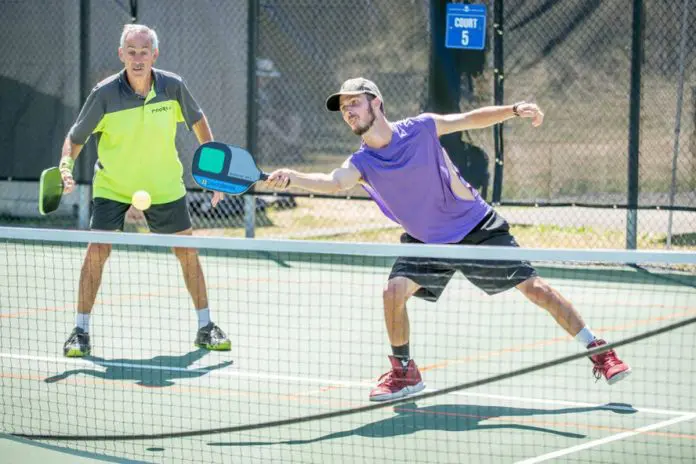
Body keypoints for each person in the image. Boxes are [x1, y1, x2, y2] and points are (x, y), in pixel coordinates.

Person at [265, 77, 631, 401]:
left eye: (354, 103)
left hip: (475, 228)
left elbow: (469, 120)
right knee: (393, 292)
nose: (348, 112)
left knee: (536, 289)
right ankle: (405, 372)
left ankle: (600, 351)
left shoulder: (421, 128)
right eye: (344, 108)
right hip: (427, 242)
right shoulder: (362, 162)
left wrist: (515, 110)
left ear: (376, 102)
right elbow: (333, 181)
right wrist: (293, 176)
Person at [58, 24, 230, 357]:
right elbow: (76, 137)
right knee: (97, 251)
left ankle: (206, 326)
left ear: (155, 54)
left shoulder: (173, 86)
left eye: (144, 52)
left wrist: (213, 172)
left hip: (164, 185)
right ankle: (80, 331)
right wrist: (65, 166)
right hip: (113, 186)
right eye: (131, 52)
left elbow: (198, 121)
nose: (138, 59)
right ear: (121, 55)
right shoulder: (104, 94)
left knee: (187, 252)